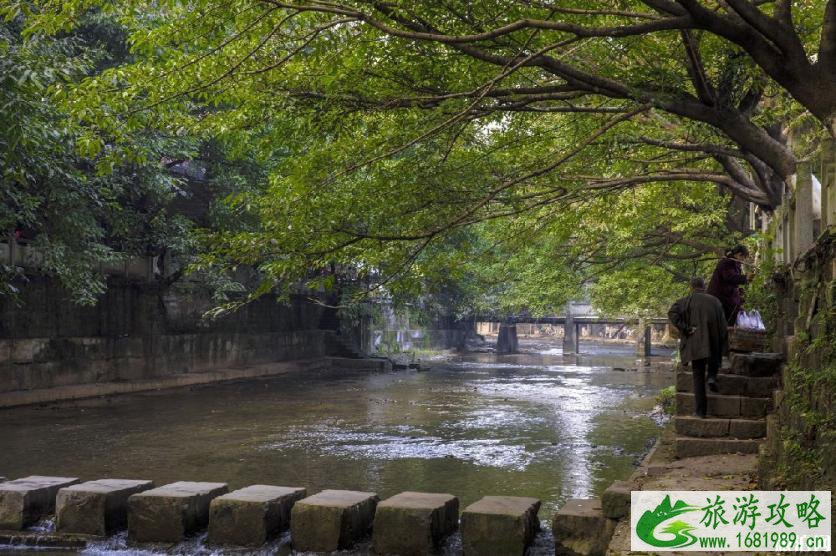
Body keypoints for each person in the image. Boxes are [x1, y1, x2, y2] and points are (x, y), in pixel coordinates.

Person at [668, 277, 729, 418]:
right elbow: (723, 325)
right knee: (714, 360)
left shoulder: (685, 301)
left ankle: (700, 412)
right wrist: (724, 344)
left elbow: (672, 313)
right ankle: (712, 376)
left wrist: (686, 328)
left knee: (698, 376)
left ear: (691, 287)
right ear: (704, 286)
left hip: (695, 344)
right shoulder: (715, 301)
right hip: (713, 341)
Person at [707, 244, 750, 324]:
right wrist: (745, 278)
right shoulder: (728, 262)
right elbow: (729, 277)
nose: (743, 261)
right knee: (723, 323)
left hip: (725, 299)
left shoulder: (734, 264)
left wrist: (739, 291)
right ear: (739, 255)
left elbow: (732, 283)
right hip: (719, 300)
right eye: (743, 258)